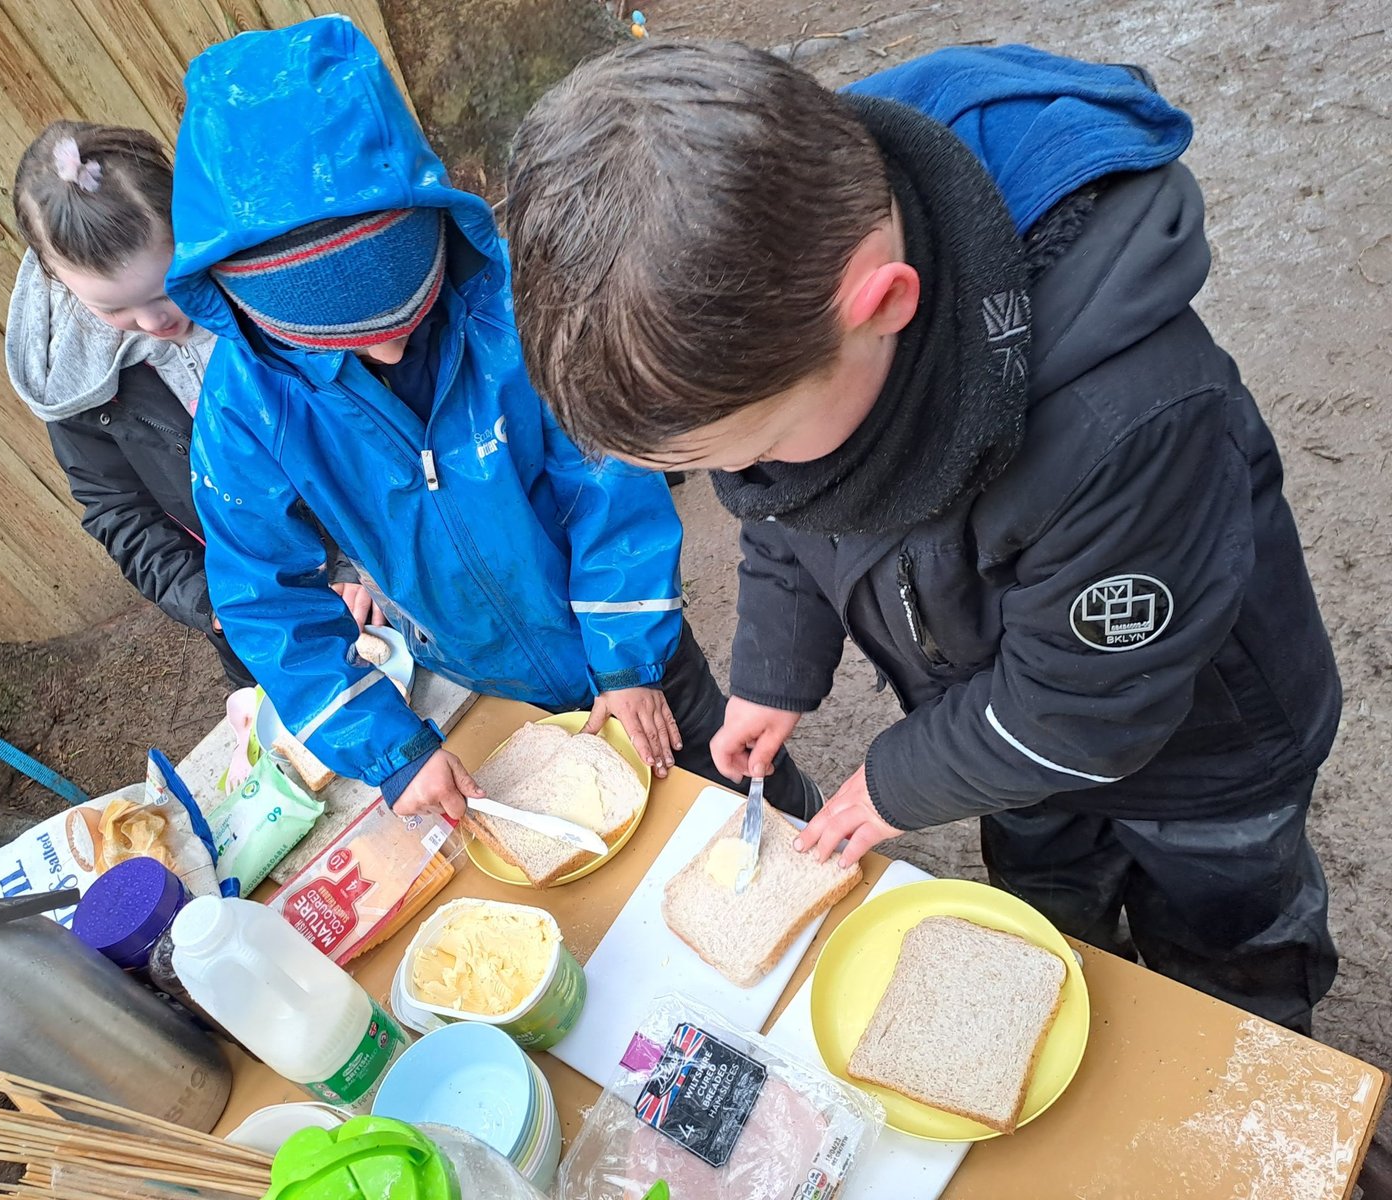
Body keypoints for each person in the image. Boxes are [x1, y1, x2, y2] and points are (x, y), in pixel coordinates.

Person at [504, 42, 1340, 1032]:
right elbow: (783, 510)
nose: (746, 477)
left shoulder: (1121, 416)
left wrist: (899, 782)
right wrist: (774, 672)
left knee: (1225, 932)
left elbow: (1085, 711)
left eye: (755, 442)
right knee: (1044, 892)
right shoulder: (794, 342)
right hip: (990, 722)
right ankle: (1078, 974)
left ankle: (1248, 1051)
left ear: (882, 305)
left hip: (1200, 747)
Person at [164, 17, 818, 820]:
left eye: (408, 305)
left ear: (437, 227)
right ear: (248, 306)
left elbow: (605, 466)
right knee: (600, 830)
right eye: (349, 336)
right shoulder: (245, 409)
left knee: (735, 789)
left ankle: (805, 823)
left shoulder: (515, 301)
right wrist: (393, 749)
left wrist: (626, 659)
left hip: (631, 644)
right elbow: (267, 599)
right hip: (488, 672)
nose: (395, 351)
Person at [7, 121, 372, 685]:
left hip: (384, 560)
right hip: (261, 619)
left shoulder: (271, 285)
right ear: (59, 282)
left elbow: (358, 422)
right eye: (115, 310)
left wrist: (357, 562)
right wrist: (215, 602)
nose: (155, 322)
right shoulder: (72, 387)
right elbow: (118, 512)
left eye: (169, 286)